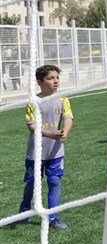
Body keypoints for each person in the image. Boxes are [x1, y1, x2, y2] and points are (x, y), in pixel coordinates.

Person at [19, 65, 74, 230]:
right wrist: (51, 134)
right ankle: (24, 211)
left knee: (54, 181)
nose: (55, 81)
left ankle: (53, 217)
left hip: (56, 152)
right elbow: (32, 127)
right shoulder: (33, 102)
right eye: (50, 78)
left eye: (57, 78)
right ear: (40, 82)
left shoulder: (63, 99)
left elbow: (69, 118)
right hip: (36, 153)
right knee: (32, 183)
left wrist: (65, 132)